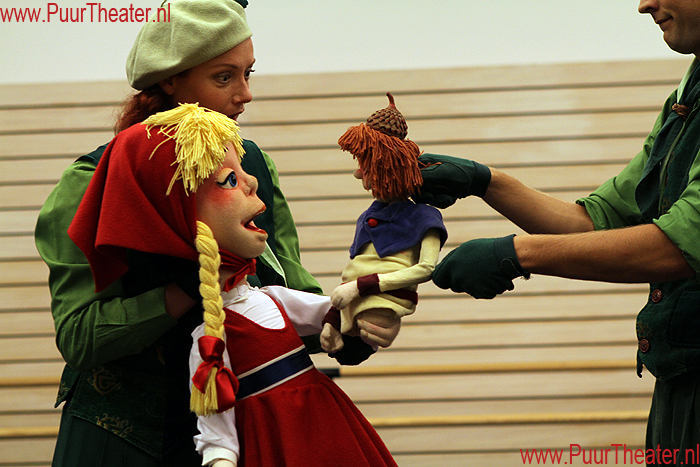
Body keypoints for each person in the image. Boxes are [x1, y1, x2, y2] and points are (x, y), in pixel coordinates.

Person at [34, 1, 398, 465]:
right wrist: (183, 292)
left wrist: (347, 325)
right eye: (224, 77)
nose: (246, 94)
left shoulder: (253, 165)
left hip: (241, 433)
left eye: (248, 73)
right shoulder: (90, 183)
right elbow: (80, 338)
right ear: (171, 80)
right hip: (123, 441)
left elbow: (288, 291)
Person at [414, 0, 700, 464]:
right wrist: (486, 182)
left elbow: (680, 245)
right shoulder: (688, 96)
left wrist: (518, 254)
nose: (644, 4)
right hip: (680, 383)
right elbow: (597, 221)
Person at [320, 93, 447, 353]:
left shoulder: (424, 216)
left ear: (385, 166)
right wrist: (332, 319)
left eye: (365, 165)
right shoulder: (367, 216)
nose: (358, 173)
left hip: (383, 302)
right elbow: (353, 270)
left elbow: (426, 269)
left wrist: (361, 287)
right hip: (350, 305)